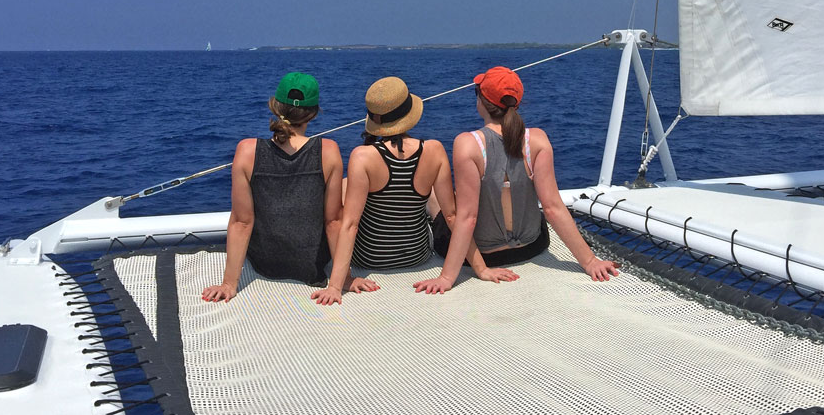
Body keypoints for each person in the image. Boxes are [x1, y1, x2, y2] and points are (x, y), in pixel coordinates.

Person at [311, 76, 515, 305]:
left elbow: (350, 224)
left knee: (347, 185)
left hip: (369, 258)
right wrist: (481, 268)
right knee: (435, 196)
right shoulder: (435, 150)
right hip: (416, 255)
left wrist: (337, 286)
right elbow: (452, 217)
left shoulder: (363, 156)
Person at [413, 66, 619, 294]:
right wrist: (590, 262)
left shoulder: (468, 144)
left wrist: (446, 277)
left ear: (481, 101)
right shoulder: (538, 140)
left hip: (483, 254)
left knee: (440, 199)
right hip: (531, 247)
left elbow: (467, 218)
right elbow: (552, 208)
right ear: (517, 104)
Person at [202, 72, 377, 302]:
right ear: (313, 113)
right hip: (311, 265)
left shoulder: (246, 151)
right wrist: (344, 279)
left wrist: (228, 284)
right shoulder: (329, 151)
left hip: (264, 264)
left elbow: (242, 222)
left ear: (275, 106)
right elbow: (333, 222)